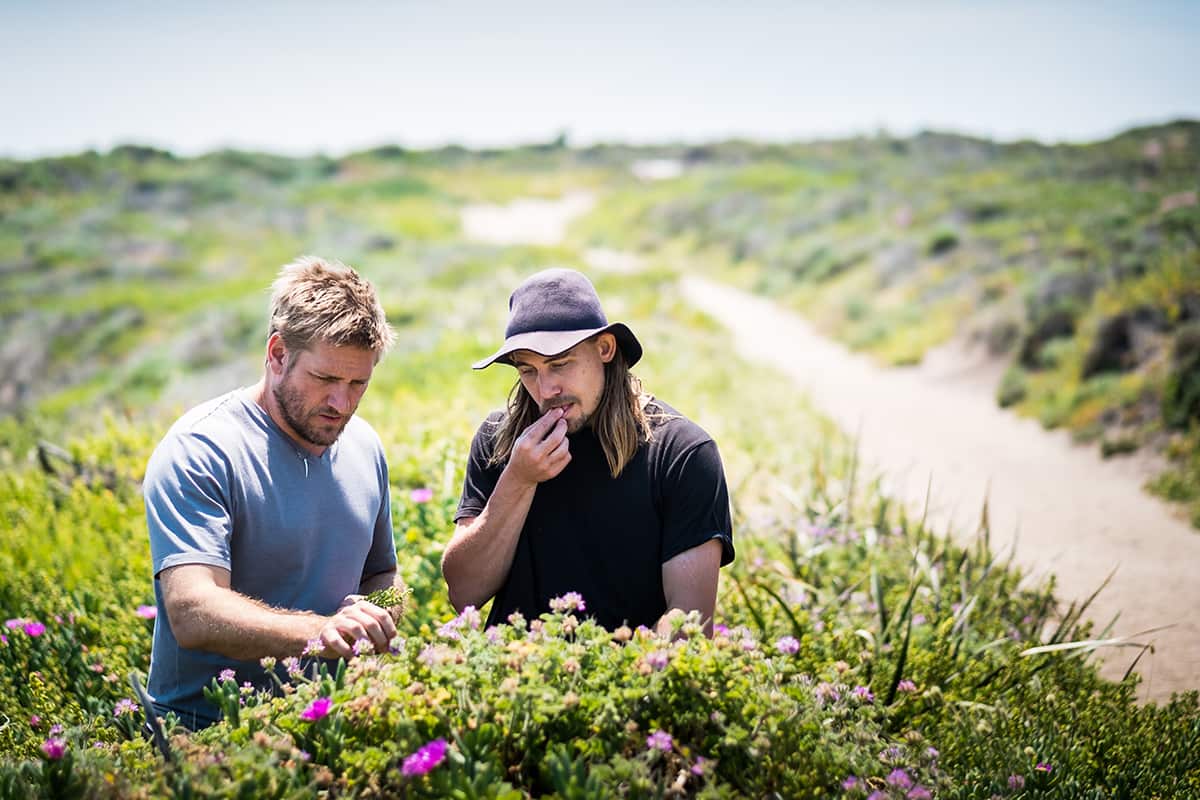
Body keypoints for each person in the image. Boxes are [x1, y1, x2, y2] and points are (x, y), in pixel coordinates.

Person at [143, 255, 404, 729]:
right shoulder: (201, 449)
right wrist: (320, 633)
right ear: (278, 353)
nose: (341, 403)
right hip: (206, 733)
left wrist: (379, 617)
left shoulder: (365, 445)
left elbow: (382, 573)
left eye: (358, 383)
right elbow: (193, 610)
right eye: (325, 379)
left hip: (332, 723)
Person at [442, 268, 734, 636]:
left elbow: (688, 624)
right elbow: (464, 593)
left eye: (560, 364)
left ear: (606, 348)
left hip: (628, 685)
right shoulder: (499, 440)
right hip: (510, 683)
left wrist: (623, 685)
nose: (546, 389)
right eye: (528, 370)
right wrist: (518, 480)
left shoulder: (682, 454)